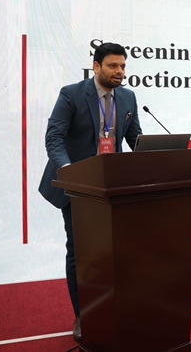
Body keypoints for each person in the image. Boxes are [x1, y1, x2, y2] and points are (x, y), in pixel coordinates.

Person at [38, 42, 142, 342]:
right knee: (80, 252)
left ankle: (113, 307)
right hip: (77, 187)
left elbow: (134, 137)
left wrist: (154, 155)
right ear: (96, 67)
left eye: (123, 66)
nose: (120, 72)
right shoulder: (71, 94)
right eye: (113, 66)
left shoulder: (128, 97)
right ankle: (83, 315)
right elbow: (54, 138)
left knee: (112, 252)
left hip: (111, 187)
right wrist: (68, 170)